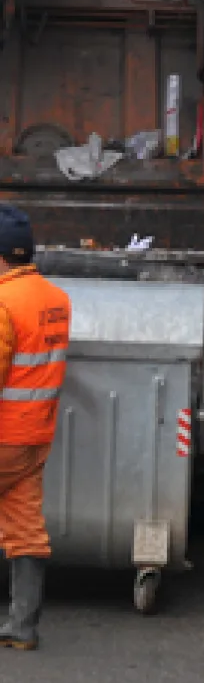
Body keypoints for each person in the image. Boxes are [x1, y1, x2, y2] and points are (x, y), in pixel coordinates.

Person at [0, 205, 71, 650]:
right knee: (25, 523)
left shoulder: (4, 302)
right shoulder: (54, 299)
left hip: (2, 433)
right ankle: (22, 626)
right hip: (35, 435)